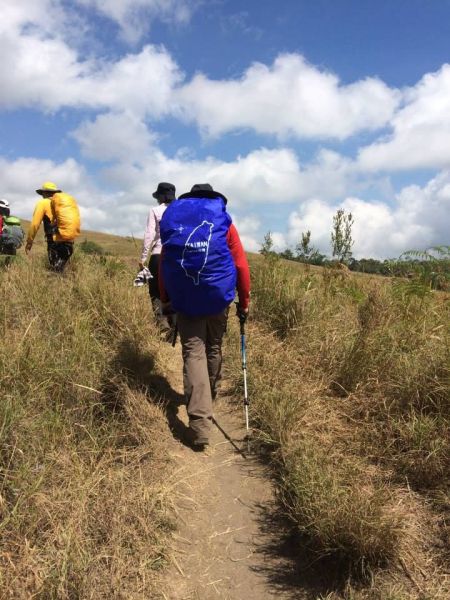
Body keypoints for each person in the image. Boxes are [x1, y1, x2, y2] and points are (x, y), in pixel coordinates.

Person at [159, 183, 250, 448]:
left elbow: (166, 263)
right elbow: (241, 265)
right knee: (214, 346)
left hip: (186, 296)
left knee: (193, 352)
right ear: (212, 198)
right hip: (218, 296)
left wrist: (166, 299)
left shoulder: (177, 222)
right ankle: (210, 395)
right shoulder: (223, 220)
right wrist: (243, 301)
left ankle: (199, 425)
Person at [139, 182, 176, 331]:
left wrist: (142, 258)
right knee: (173, 290)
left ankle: (162, 324)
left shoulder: (155, 210)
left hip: (158, 254)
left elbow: (149, 234)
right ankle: (174, 325)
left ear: (161, 197)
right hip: (176, 256)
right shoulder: (180, 210)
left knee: (155, 291)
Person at [26, 182, 80, 272]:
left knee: (55, 270)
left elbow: (35, 224)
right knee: (61, 269)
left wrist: (29, 241)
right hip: (68, 239)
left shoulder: (43, 203)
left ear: (44, 193)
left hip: (54, 240)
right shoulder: (63, 205)